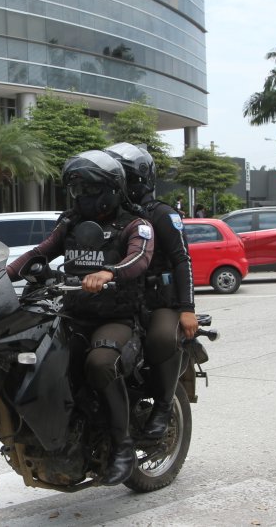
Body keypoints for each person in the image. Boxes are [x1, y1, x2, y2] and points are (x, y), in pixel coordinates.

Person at [6, 149, 154, 485]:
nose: (82, 197)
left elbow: (140, 260)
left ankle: (123, 446)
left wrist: (109, 273)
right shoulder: (70, 224)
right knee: (32, 357)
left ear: (113, 189)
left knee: (99, 363)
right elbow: (39, 252)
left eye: (89, 189)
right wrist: (2, 275)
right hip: (72, 314)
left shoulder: (135, 225)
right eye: (77, 190)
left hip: (116, 318)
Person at [104, 143, 198, 440]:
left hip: (160, 302)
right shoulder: (113, 216)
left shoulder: (162, 215)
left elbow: (183, 260)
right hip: (120, 300)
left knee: (159, 338)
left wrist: (187, 308)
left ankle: (163, 405)